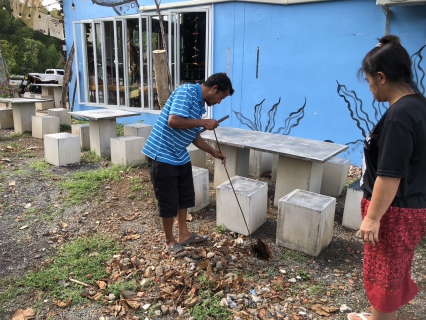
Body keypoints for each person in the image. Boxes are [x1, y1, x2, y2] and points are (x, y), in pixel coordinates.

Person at [348, 35, 426, 320]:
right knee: (393, 270)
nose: (370, 90)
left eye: (369, 82)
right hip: (411, 206)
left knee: (384, 277)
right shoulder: (418, 105)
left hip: (395, 211)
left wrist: (372, 217)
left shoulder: (399, 116)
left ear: (381, 77)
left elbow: (390, 175)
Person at [142, 73, 234, 258]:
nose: (219, 102)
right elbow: (173, 120)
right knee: (168, 201)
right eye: (220, 97)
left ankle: (183, 234)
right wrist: (204, 122)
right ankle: (170, 241)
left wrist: (213, 152)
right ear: (214, 88)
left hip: (179, 155)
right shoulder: (186, 92)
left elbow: (193, 135)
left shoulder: (200, 104)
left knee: (184, 197)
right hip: (162, 154)